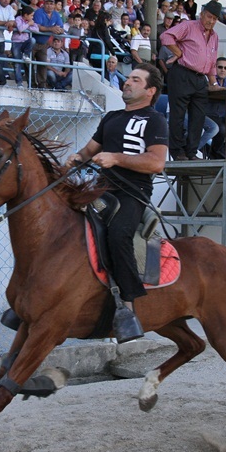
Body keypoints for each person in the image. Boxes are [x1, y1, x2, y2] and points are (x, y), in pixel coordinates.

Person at [67, 64, 167, 342]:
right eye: (128, 78)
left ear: (150, 91)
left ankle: (127, 310)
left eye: (136, 80)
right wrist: (70, 162)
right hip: (99, 189)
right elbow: (87, 152)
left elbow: (157, 162)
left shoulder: (155, 119)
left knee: (119, 233)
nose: (127, 82)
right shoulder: (111, 117)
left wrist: (116, 158)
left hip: (131, 193)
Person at [160, 1, 220, 161]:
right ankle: (177, 151)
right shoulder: (189, 26)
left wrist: (213, 82)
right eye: (209, 17)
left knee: (198, 117)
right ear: (202, 14)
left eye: (215, 19)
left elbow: (212, 61)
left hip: (201, 78)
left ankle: (191, 152)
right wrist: (179, 52)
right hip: (182, 73)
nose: (211, 21)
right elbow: (165, 36)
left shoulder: (215, 36)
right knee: (178, 115)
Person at [33, 0, 64, 88]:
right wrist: (51, 29)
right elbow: (38, 27)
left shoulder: (56, 14)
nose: (49, 6)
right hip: (33, 41)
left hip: (44, 43)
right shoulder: (39, 12)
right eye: (47, 3)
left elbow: (61, 27)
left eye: (51, 4)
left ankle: (42, 84)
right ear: (44, 4)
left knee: (43, 64)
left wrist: (59, 30)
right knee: (29, 63)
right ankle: (32, 83)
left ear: (54, 5)